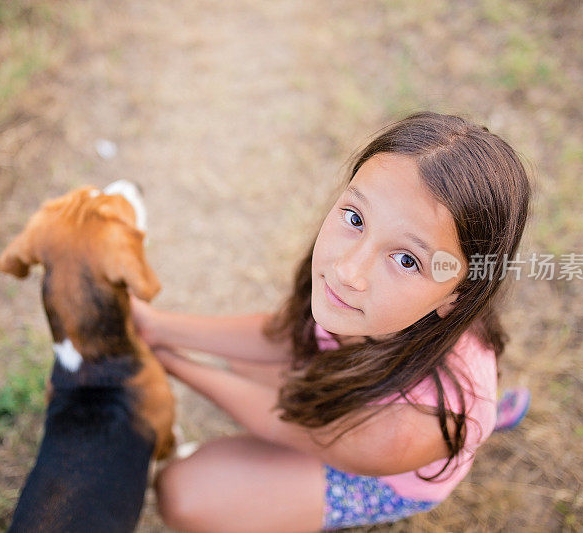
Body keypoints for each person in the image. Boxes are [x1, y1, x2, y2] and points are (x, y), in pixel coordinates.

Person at [131, 112, 532, 532]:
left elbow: (288, 423)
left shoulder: (413, 426)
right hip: (356, 400)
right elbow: (284, 334)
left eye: (407, 260)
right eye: (356, 219)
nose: (347, 270)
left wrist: (169, 361)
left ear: (457, 295)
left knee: (182, 492)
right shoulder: (372, 300)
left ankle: (469, 434)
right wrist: (157, 327)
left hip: (373, 461)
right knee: (249, 362)